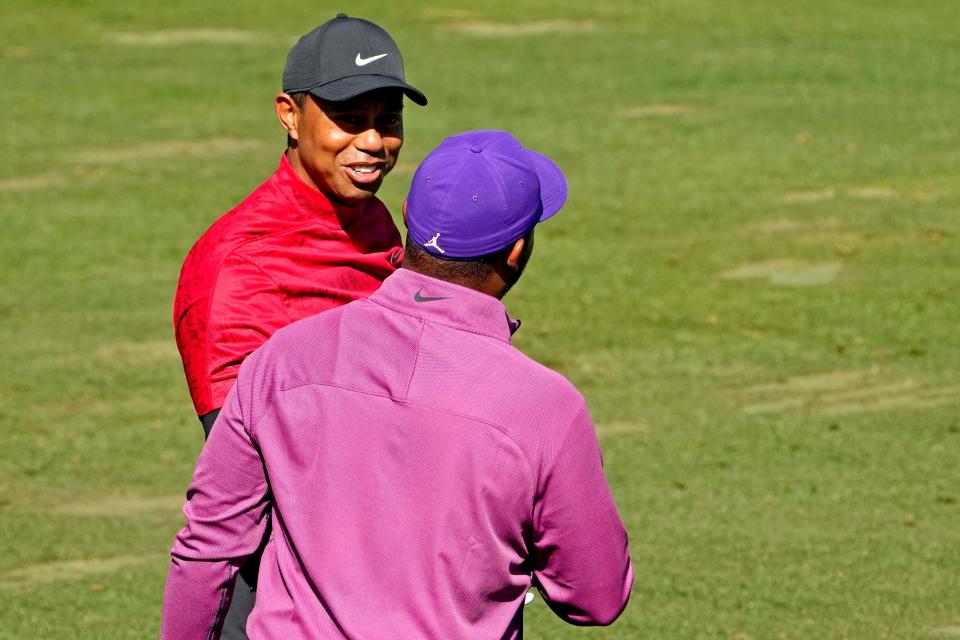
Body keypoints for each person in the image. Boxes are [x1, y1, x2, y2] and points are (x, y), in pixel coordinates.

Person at [161, 130, 633, 639]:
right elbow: (596, 597)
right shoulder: (545, 408)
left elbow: (207, 549)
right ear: (517, 251)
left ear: (408, 213)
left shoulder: (280, 361)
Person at [171, 14, 427, 639]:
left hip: (384, 583)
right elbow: (255, 470)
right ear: (289, 113)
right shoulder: (239, 266)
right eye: (348, 118)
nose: (373, 142)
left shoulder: (373, 223)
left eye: (387, 119)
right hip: (283, 602)